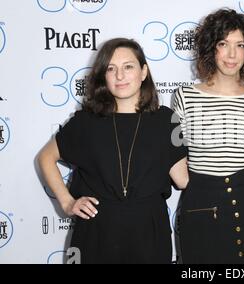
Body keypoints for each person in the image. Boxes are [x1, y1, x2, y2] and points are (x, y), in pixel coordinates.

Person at [38, 38, 188, 264]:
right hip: (96, 232)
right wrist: (67, 202)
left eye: (128, 67)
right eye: (111, 68)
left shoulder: (166, 120)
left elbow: (183, 179)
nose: (120, 76)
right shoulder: (86, 121)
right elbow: (46, 157)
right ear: (103, 76)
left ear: (143, 72)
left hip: (150, 233)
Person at [172, 8, 244, 264]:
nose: (231, 54)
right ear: (210, 48)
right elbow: (174, 152)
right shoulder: (185, 95)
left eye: (240, 45)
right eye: (223, 44)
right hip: (202, 207)